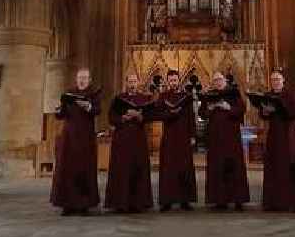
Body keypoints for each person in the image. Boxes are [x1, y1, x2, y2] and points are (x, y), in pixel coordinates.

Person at [259, 69, 295, 212]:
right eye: (273, 79)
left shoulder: (290, 94)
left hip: (288, 134)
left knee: (292, 165)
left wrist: (281, 106)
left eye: (277, 79)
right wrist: (265, 111)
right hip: (274, 135)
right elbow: (263, 115)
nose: (275, 82)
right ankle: (275, 202)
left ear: (283, 80)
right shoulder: (268, 95)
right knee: (274, 165)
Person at [50, 68, 101, 216]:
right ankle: (67, 204)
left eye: (84, 78)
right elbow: (62, 115)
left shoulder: (93, 94)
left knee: (84, 170)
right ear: (76, 79)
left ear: (89, 79)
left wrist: (89, 107)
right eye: (79, 78)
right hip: (69, 137)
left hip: (85, 138)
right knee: (67, 170)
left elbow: (98, 110)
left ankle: (83, 205)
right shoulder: (69, 93)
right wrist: (58, 110)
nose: (82, 80)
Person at [199, 71, 250, 211]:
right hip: (215, 139)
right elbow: (201, 113)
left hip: (231, 138)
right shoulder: (209, 95)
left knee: (235, 167)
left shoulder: (233, 93)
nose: (217, 82)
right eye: (215, 80)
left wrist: (228, 107)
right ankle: (219, 201)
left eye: (220, 79)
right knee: (218, 168)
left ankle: (238, 200)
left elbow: (242, 109)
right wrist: (209, 108)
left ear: (225, 81)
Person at [104, 73, 154, 213]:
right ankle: (120, 203)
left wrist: (140, 116)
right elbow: (111, 117)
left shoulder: (144, 99)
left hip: (138, 138)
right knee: (121, 169)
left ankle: (138, 203)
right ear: (126, 83)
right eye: (130, 81)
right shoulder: (119, 99)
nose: (132, 84)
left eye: (134, 81)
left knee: (138, 168)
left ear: (138, 83)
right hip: (122, 138)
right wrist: (123, 118)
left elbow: (150, 116)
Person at [156, 69, 197, 211]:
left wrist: (192, 136)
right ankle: (166, 201)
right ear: (168, 81)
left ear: (179, 80)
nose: (173, 82)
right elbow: (158, 114)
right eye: (171, 80)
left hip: (184, 137)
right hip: (169, 137)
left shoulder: (186, 96)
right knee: (168, 169)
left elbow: (191, 117)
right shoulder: (163, 96)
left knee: (184, 168)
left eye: (175, 80)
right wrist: (170, 113)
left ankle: (185, 200)